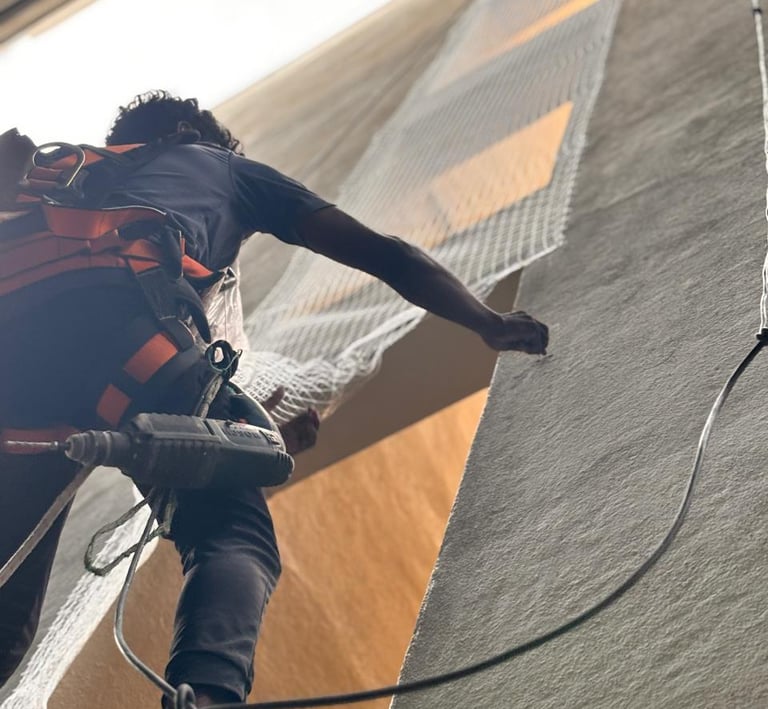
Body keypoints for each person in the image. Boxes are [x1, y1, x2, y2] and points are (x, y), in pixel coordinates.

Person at [0, 91, 548, 707]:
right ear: (189, 133)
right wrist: (485, 322)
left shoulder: (52, 175)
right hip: (126, 343)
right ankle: (207, 696)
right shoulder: (220, 166)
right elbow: (388, 255)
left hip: (14, 377)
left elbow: (156, 451)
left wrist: (238, 444)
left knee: (6, 614)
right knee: (233, 535)